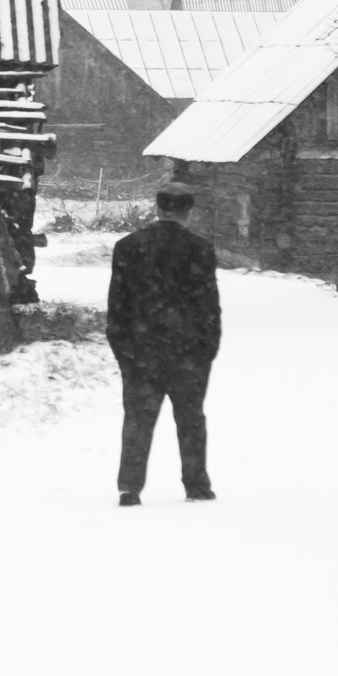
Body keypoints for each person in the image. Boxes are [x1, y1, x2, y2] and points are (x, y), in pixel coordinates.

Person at [106, 183, 220, 506]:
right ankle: (196, 485)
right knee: (191, 419)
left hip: (140, 352)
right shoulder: (200, 250)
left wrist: (122, 351)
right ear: (188, 211)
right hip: (188, 353)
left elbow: (117, 306)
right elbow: (208, 306)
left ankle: (129, 487)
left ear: (158, 208)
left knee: (137, 420)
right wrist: (207, 349)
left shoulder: (128, 247)